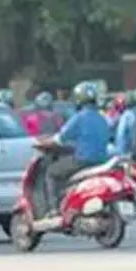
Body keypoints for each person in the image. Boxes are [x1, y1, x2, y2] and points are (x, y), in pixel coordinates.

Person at [36, 81, 111, 215]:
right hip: (102, 160)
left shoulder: (79, 118)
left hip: (83, 160)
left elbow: (60, 138)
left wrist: (44, 142)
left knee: (52, 173)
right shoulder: (102, 118)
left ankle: (54, 209)